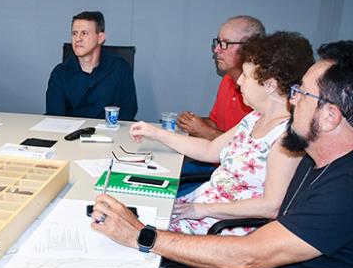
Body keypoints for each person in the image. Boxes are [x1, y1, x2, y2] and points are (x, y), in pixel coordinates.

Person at [91, 40, 353, 268]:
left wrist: (140, 235)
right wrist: (210, 262)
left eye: (303, 94)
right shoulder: (314, 160)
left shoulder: (344, 190)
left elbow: (251, 255)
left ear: (330, 116)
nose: (293, 99)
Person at [131, 32, 313, 235]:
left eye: (246, 75)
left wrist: (202, 209)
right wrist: (154, 132)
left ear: (269, 85)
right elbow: (210, 150)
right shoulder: (254, 118)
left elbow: (271, 205)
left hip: (224, 226)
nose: (239, 82)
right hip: (200, 210)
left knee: (132, 233)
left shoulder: (286, 136)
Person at [177, 15, 265, 140]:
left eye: (225, 43)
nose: (216, 50)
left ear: (250, 48)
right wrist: (192, 123)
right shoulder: (228, 79)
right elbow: (216, 124)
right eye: (218, 42)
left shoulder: (262, 91)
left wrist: (204, 130)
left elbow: (250, 149)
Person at [45, 11, 137, 120]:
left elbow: (129, 110)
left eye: (84, 33)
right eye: (74, 33)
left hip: (109, 133)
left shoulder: (119, 69)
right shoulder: (60, 73)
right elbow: (55, 116)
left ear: (100, 38)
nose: (77, 39)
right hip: (70, 134)